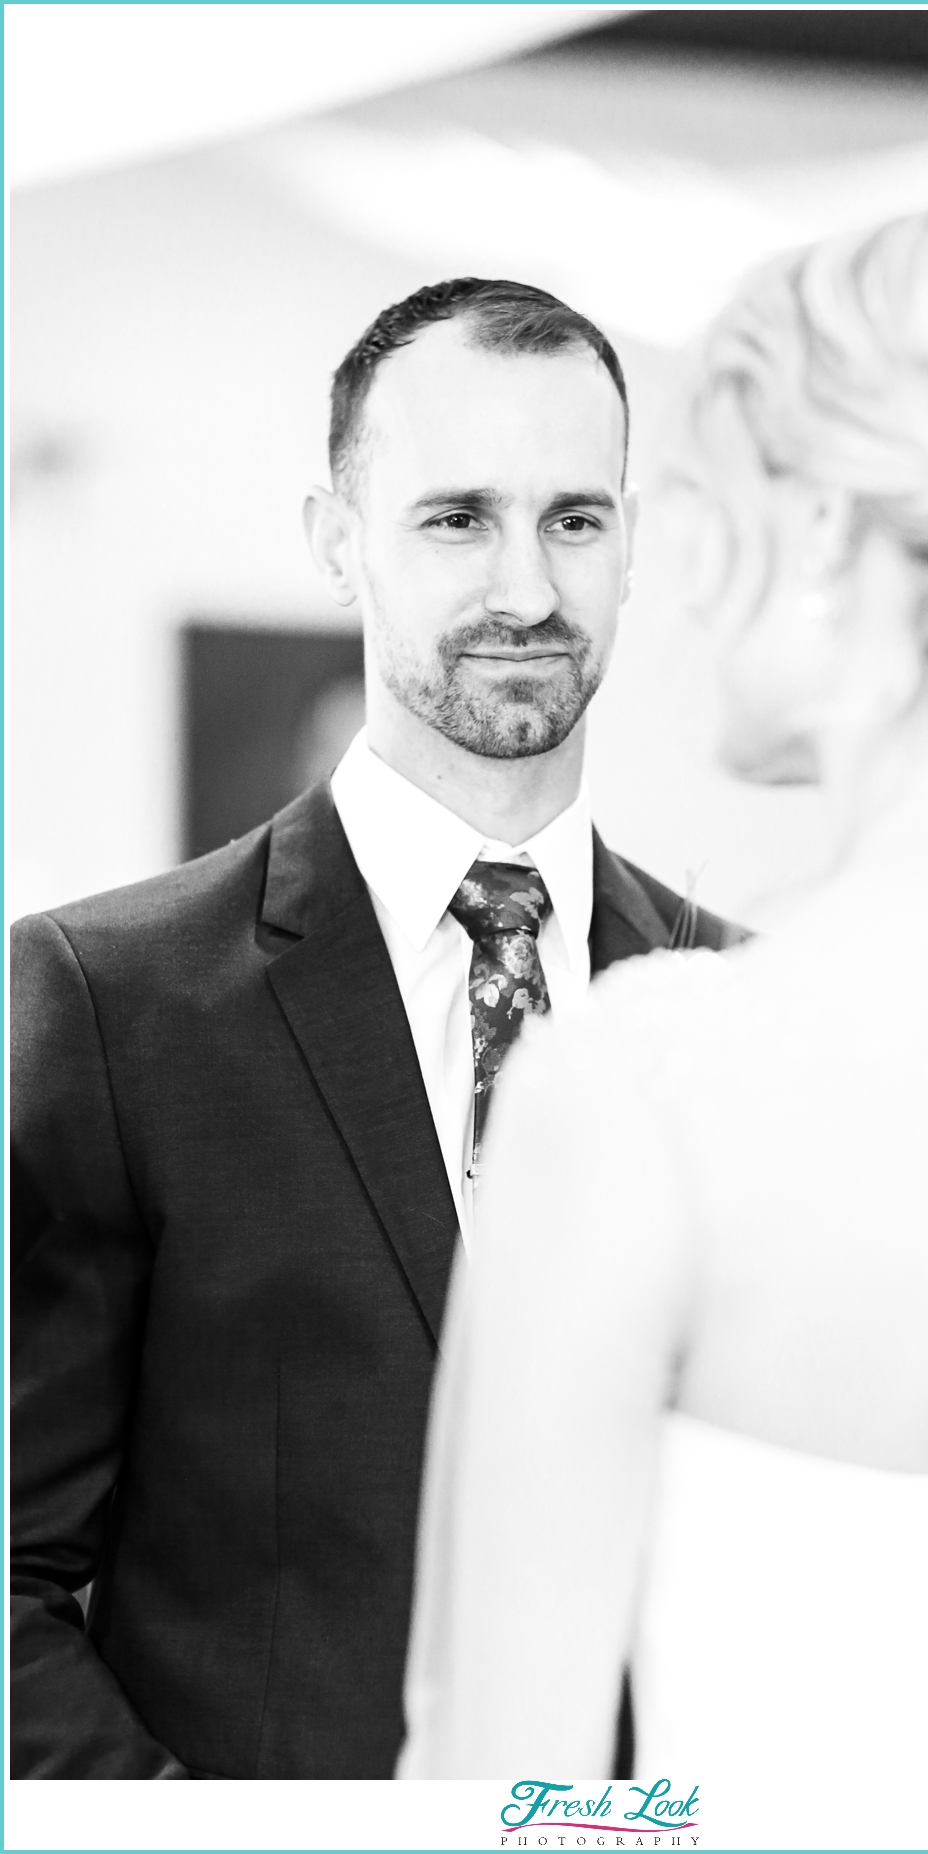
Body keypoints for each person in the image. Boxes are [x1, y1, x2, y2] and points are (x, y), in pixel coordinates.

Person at [398, 198, 928, 1847]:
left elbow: (516, 1800)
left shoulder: (649, 1088)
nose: (672, 581)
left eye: (699, 505)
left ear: (825, 530)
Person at [10, 278, 743, 1779]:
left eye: (575, 520)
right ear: (336, 539)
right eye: (457, 518)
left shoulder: (742, 1008)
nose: (527, 589)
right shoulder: (109, 1001)